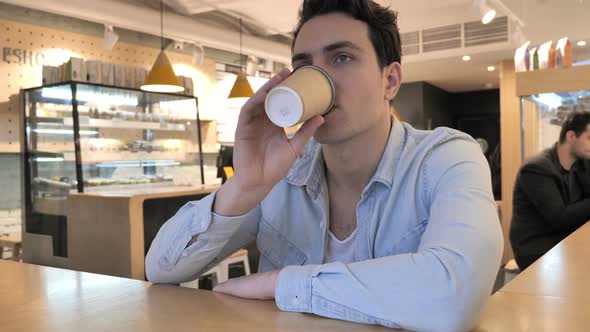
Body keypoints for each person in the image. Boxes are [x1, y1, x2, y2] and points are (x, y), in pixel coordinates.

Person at [146, 1, 503, 330]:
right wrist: (243, 187)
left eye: (342, 58)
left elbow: (455, 296)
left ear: (390, 81)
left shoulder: (447, 156)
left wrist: (281, 284)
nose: (321, 78)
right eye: (305, 66)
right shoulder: (282, 173)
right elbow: (160, 269)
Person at [510, 110, 590, 270]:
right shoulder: (536, 168)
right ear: (571, 136)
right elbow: (560, 219)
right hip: (536, 249)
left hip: (562, 242)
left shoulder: (580, 164)